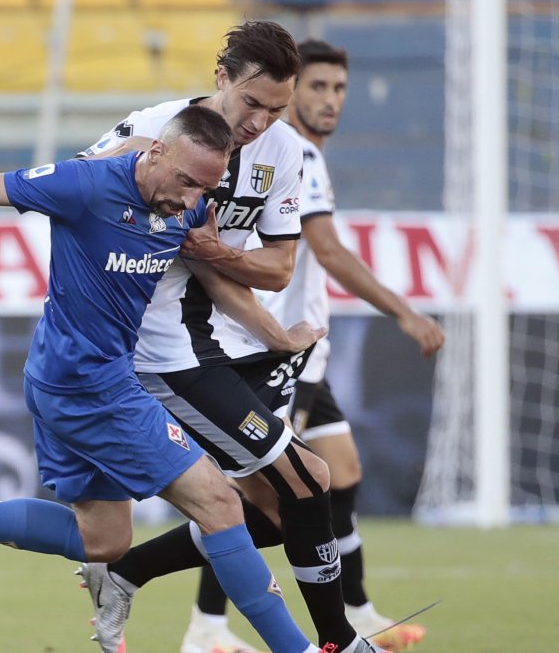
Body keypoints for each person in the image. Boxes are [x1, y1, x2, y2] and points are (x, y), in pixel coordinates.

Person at [0, 106, 329, 653]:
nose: (192, 200)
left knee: (103, 539)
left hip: (60, 379)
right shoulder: (86, 185)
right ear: (156, 151)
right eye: (187, 182)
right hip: (93, 387)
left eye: (206, 189)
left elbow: (220, 282)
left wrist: (277, 335)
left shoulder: (188, 210)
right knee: (221, 504)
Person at [75, 22, 383, 653]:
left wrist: (214, 251)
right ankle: (338, 641)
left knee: (268, 513)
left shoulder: (286, 151)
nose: (261, 121)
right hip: (163, 356)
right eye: (252, 103)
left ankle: (126, 574)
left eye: (276, 108)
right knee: (309, 477)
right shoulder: (159, 129)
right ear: (222, 78)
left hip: (237, 344)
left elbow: (278, 267)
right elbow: (78, 186)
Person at [179, 40, 446, 653]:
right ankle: (210, 624)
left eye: (338, 89)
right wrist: (405, 312)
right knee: (272, 496)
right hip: (269, 346)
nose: (328, 101)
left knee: (338, 472)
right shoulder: (286, 154)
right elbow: (324, 251)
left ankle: (356, 611)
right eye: (316, 88)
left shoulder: (291, 158)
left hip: (302, 348)